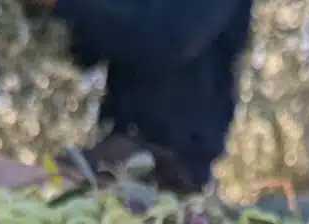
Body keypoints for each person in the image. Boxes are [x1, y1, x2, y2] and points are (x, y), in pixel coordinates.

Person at [30, 0, 256, 193]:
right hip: (120, 146)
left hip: (171, 161)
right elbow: (89, 50)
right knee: (41, 188)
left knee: (46, 191)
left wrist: (65, 3)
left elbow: (163, 40)